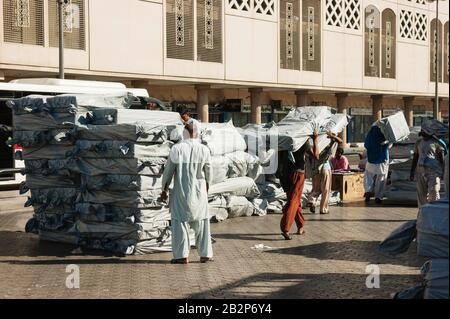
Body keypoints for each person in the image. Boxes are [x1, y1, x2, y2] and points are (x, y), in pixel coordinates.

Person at [161, 123, 213, 264]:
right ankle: (205, 254)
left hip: (181, 192)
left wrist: (164, 189)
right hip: (199, 191)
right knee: (202, 223)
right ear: (196, 134)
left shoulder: (176, 149)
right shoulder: (204, 150)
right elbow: (209, 171)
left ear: (184, 134)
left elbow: (168, 172)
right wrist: (208, 186)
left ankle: (182, 256)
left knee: (180, 223)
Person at [279, 129, 320, 240]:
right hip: (298, 174)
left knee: (294, 200)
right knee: (294, 201)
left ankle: (300, 226)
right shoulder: (302, 140)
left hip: (285, 173)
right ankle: (285, 228)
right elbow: (316, 156)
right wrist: (315, 140)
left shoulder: (284, 139)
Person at [307, 132, 343, 214]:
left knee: (316, 188)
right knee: (326, 189)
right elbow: (340, 141)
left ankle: (312, 200)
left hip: (315, 169)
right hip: (325, 168)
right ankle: (323, 209)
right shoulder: (327, 142)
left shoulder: (313, 143)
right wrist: (332, 136)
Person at [410, 130, 446, 207]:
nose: (423, 135)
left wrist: (444, 171)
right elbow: (415, 157)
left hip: (434, 171)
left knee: (434, 191)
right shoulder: (418, 142)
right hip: (420, 170)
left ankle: (435, 210)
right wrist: (412, 172)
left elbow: (442, 159)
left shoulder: (437, 142)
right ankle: (423, 212)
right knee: (421, 193)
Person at [363, 125, 389, 204]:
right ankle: (378, 196)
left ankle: (368, 191)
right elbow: (389, 145)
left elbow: (366, 146)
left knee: (368, 177)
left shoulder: (370, 137)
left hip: (371, 160)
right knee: (381, 179)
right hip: (382, 160)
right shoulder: (383, 138)